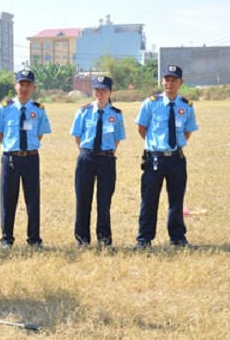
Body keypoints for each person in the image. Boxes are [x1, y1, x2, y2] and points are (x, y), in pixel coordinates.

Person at [134, 65, 198, 249]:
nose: (169, 84)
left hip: (176, 159)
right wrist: (157, 147)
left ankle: (178, 238)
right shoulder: (151, 103)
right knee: (149, 200)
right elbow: (142, 129)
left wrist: (173, 148)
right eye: (167, 80)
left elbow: (187, 132)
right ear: (162, 81)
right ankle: (144, 240)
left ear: (181, 82)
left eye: (174, 80)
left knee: (176, 200)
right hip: (155, 158)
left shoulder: (186, 106)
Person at [0, 69, 52, 250]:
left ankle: (34, 239)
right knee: (8, 199)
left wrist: (26, 149)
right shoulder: (4, 108)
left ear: (33, 87)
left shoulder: (38, 110)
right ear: (15, 86)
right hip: (11, 158)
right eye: (21, 84)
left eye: (28, 84)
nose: (24, 88)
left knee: (33, 199)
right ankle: (6, 239)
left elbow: (39, 135)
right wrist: (13, 149)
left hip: (31, 158)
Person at [70, 76, 126, 248]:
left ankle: (104, 239)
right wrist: (87, 153)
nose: (100, 94)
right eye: (97, 90)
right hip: (86, 158)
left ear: (110, 92)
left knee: (104, 201)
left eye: (104, 90)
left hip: (106, 160)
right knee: (83, 199)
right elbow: (77, 137)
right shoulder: (83, 111)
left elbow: (117, 139)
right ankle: (82, 239)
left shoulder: (116, 115)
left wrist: (105, 152)